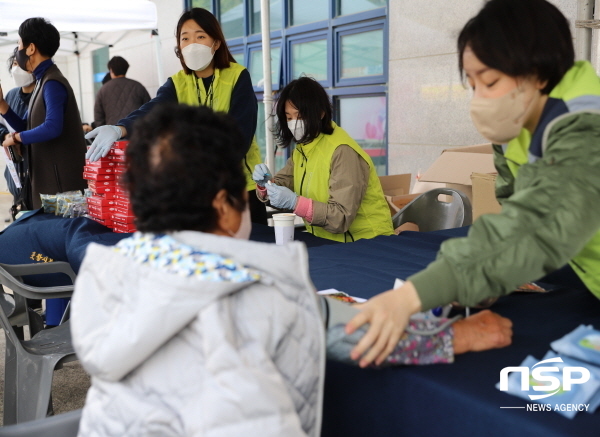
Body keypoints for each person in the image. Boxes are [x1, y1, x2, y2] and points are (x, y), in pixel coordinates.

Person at [71, 104, 511, 436]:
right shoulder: (266, 296)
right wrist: (459, 334)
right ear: (226, 208)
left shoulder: (105, 279)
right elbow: (356, 331)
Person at [345, 0, 600, 368]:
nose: (480, 99)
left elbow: (534, 229)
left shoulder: (583, 126)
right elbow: (514, 211)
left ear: (539, 71)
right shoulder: (518, 121)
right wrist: (483, 280)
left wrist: (410, 297)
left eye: (491, 81)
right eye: (473, 84)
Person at [84, 7, 266, 224]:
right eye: (185, 38)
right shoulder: (178, 83)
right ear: (179, 46)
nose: (192, 45)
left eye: (200, 37)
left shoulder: (238, 77)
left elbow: (240, 135)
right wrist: (119, 128)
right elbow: (152, 111)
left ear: (216, 43)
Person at [253, 77, 394, 242]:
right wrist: (266, 186)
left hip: (366, 243)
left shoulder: (342, 151)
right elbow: (284, 184)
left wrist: (295, 203)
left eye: (299, 116)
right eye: (289, 117)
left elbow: (340, 218)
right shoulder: (303, 148)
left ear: (320, 113)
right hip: (328, 242)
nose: (294, 124)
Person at [0, 17, 87, 210]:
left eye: (19, 45)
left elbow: (53, 127)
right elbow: (26, 125)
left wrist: (15, 137)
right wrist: (2, 105)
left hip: (62, 188)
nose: (18, 51)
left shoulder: (53, 83)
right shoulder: (43, 81)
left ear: (31, 48)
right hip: (52, 183)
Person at [0, 50, 35, 211]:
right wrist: (5, 136)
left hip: (37, 174)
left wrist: (16, 138)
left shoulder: (42, 94)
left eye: (21, 64)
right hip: (15, 172)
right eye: (14, 64)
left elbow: (29, 127)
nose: (17, 68)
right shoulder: (11, 95)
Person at [93, 56, 151, 127]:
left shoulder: (103, 90)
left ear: (111, 70)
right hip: (136, 132)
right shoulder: (138, 86)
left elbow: (98, 117)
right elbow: (149, 109)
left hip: (113, 133)